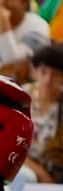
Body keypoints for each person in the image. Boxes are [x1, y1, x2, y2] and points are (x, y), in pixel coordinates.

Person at [0, 0, 50, 78]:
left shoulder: (38, 26)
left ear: (24, 2)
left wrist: (4, 24)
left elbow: (15, 63)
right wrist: (9, 71)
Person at [21, 42, 63, 182]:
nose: (48, 80)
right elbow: (6, 143)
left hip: (54, 169)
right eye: (44, 71)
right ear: (34, 71)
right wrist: (41, 173)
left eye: (56, 74)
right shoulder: (20, 96)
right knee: (27, 177)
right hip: (20, 163)